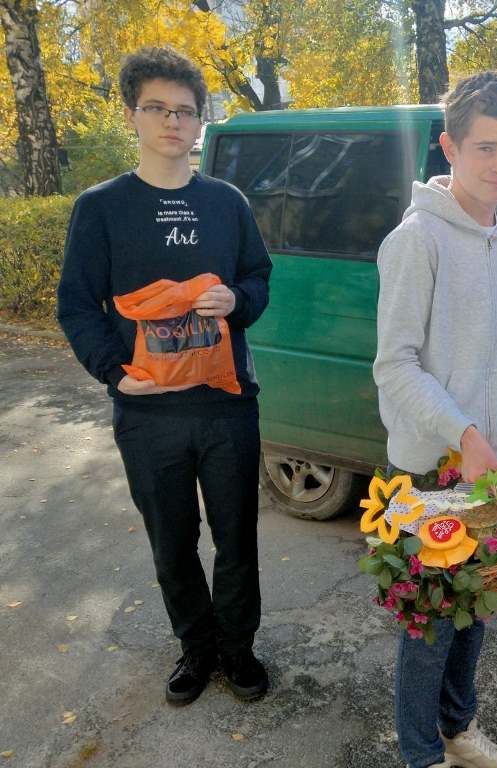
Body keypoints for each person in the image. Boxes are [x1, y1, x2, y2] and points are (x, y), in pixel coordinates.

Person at [57, 47, 272, 706]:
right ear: (132, 115)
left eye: (185, 110)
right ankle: (196, 648)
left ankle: (237, 648)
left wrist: (237, 300)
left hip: (227, 407)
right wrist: (113, 373)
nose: (172, 122)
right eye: (157, 108)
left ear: (200, 120)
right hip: (148, 416)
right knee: (172, 543)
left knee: (237, 538)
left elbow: (258, 278)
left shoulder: (226, 202)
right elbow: (76, 305)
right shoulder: (101, 208)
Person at [372, 71, 497, 768]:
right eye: (484, 148)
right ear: (449, 147)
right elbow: (395, 364)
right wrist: (462, 433)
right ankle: (421, 756)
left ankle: (458, 730)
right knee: (430, 622)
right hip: (427, 468)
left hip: (490, 467)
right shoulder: (417, 239)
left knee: (477, 608)